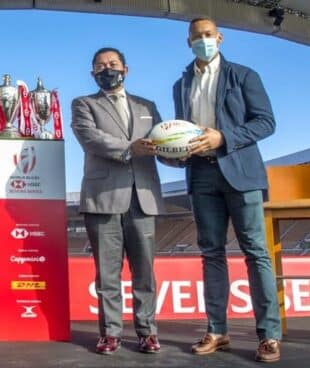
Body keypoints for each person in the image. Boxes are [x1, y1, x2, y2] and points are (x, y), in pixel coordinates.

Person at [170, 16, 282, 363]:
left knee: (256, 253)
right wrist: (175, 152)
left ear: (219, 38)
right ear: (188, 41)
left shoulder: (244, 75)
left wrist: (224, 137)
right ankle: (217, 330)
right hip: (201, 174)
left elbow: (266, 122)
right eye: (196, 36)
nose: (202, 40)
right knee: (211, 254)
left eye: (207, 35)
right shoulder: (181, 83)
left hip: (241, 172)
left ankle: (269, 335)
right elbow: (182, 130)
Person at [71, 47, 165, 355]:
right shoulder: (84, 104)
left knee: (145, 273)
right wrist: (131, 147)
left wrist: (183, 150)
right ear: (92, 73)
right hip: (103, 199)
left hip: (143, 198)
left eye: (113, 64)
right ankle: (110, 332)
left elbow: (163, 141)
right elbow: (91, 139)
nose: (107, 69)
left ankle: (147, 332)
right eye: (100, 66)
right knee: (107, 274)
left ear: (126, 68)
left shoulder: (147, 106)